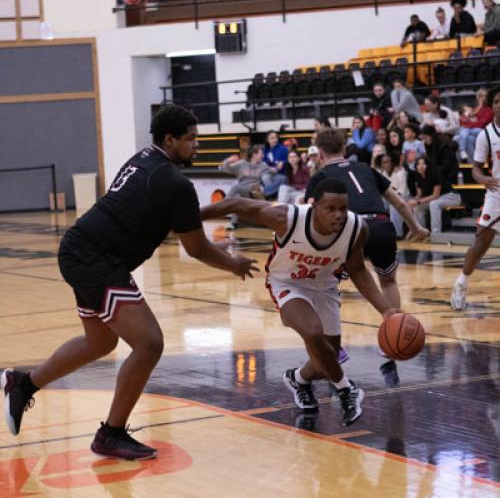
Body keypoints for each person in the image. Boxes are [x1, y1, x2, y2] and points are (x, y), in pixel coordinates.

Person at [0, 105, 259, 460]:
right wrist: (233, 264)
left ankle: (23, 383)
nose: (196, 146)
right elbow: (196, 247)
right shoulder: (173, 182)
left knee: (100, 341)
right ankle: (111, 433)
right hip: (96, 259)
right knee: (149, 343)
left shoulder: (145, 160)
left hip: (82, 249)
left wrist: (221, 210)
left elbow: (172, 218)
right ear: (170, 139)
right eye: (191, 139)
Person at [201, 179, 398, 425]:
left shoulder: (356, 229)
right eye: (331, 208)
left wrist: (386, 311)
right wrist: (189, 219)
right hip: (287, 283)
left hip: (325, 286)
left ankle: (298, 379)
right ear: (313, 205)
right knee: (312, 332)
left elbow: (357, 270)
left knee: (328, 357)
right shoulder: (286, 218)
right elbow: (236, 203)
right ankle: (347, 389)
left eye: (343, 208)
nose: (338, 215)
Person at [304, 129, 429, 386]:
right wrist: (416, 227)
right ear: (345, 147)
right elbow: (399, 202)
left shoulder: (322, 176)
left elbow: (309, 213)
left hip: (352, 228)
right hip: (382, 225)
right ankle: (391, 337)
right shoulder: (365, 168)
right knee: (389, 282)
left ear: (319, 152)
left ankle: (334, 348)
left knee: (325, 287)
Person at [451, 87, 500, 310]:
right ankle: (462, 282)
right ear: (491, 106)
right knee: (481, 242)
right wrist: (485, 180)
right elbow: (476, 170)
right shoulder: (486, 134)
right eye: (497, 101)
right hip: (496, 194)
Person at [220, 145, 270, 229]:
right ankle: (233, 224)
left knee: (236, 188)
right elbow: (226, 168)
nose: (263, 156)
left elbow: (272, 172)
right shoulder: (242, 163)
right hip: (243, 190)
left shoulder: (263, 165)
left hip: (256, 191)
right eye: (261, 154)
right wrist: (228, 160)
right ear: (254, 154)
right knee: (237, 196)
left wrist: (277, 169)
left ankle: (223, 208)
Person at [408, 156, 462, 233]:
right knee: (418, 207)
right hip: (439, 198)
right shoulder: (418, 176)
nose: (421, 166)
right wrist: (412, 202)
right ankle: (422, 232)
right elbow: (419, 195)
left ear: (428, 165)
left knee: (434, 204)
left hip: (452, 196)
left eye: (423, 164)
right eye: (418, 164)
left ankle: (436, 233)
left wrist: (418, 201)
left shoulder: (435, 174)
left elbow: (435, 195)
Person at [455, 88, 493, 162]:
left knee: (468, 138)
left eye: (485, 96)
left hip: (483, 132)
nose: (483, 98)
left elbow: (481, 124)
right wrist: (470, 121)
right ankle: (459, 165)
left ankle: (475, 164)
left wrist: (469, 122)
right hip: (471, 130)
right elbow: (462, 120)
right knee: (456, 139)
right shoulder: (474, 108)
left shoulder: (489, 109)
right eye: (481, 96)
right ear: (477, 97)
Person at [379, 152, 409, 238]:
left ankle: (397, 233)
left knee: (394, 204)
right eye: (384, 162)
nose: (386, 164)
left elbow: (402, 191)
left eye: (388, 162)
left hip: (404, 198)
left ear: (392, 162)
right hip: (388, 199)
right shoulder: (382, 174)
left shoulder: (401, 172)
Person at [263, 130, 288, 198]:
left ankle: (266, 194)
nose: (274, 140)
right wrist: (269, 168)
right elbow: (263, 162)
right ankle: (272, 194)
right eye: (272, 138)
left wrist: (283, 162)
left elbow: (287, 160)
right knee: (265, 177)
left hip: (281, 173)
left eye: (276, 138)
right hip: (270, 172)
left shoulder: (283, 148)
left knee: (282, 179)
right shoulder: (266, 150)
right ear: (267, 140)